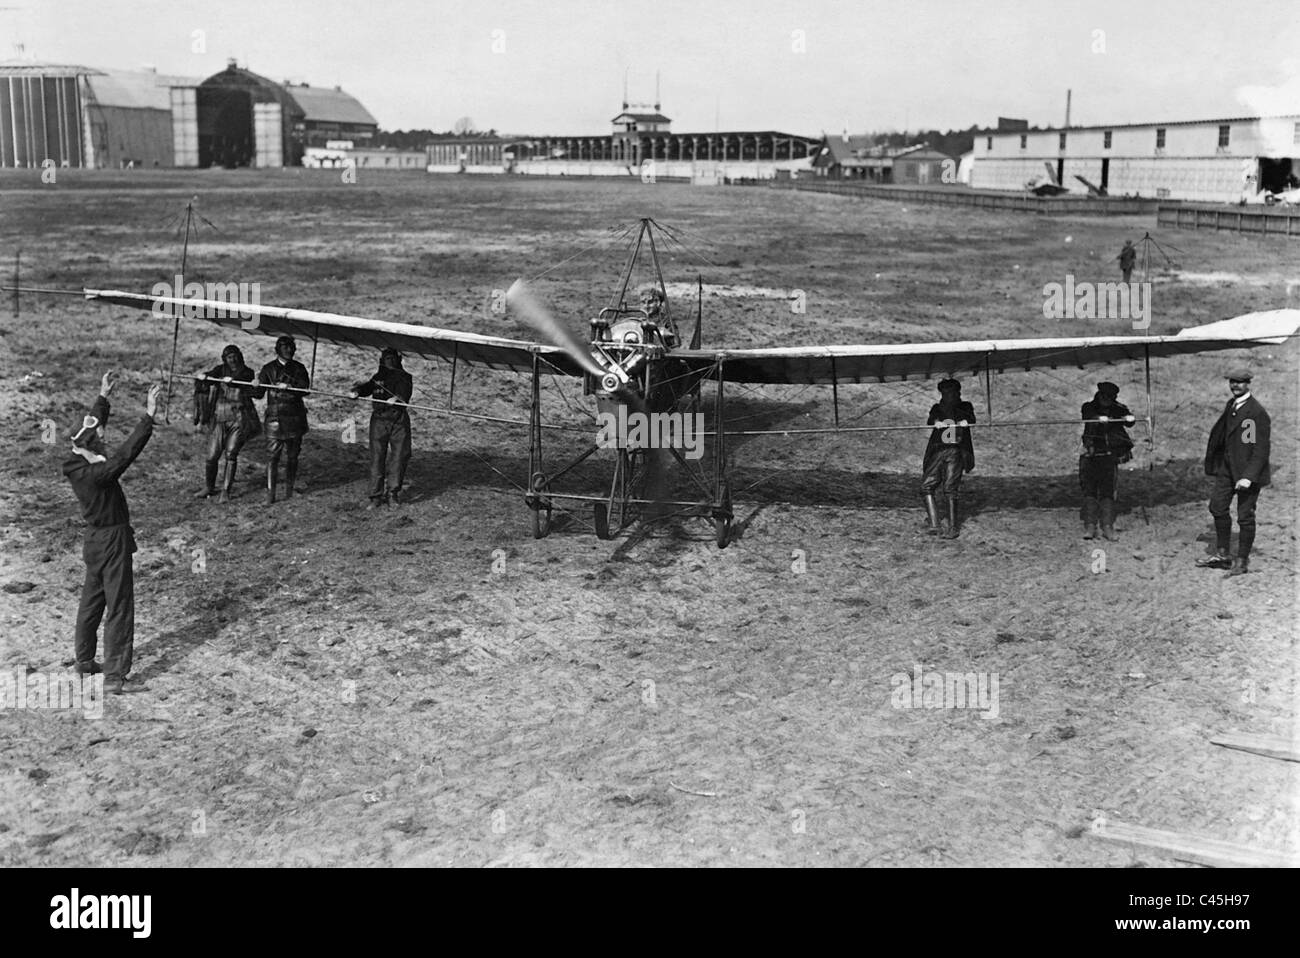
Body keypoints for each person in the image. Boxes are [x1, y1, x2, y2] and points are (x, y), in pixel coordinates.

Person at [62, 373, 162, 695]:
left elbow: (89, 425)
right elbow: (126, 454)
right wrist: (148, 416)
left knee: (92, 601)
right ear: (93, 445)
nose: (103, 438)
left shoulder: (75, 461)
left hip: (93, 542)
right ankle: (115, 677)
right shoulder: (100, 474)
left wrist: (103, 397)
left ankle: (84, 661)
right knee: (120, 605)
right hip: (112, 542)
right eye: (100, 437)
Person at [1196, 369, 1270, 577]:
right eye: (1232, 382)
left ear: (1248, 384)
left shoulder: (1255, 412)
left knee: (1245, 517)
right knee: (1217, 507)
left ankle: (1242, 560)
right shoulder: (1232, 405)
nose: (1235, 386)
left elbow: (1260, 449)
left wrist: (1248, 476)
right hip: (1227, 469)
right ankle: (1222, 553)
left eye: (1240, 382)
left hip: (1247, 474)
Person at [192, 344, 260, 502]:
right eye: (229, 357)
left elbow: (247, 385)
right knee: (211, 456)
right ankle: (209, 487)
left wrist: (233, 381)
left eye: (235, 356)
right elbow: (209, 378)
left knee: (231, 454)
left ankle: (225, 491)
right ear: (225, 359)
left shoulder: (247, 372)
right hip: (219, 418)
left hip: (238, 419)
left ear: (240, 356)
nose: (233, 359)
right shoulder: (220, 370)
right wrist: (204, 377)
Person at [350, 347, 414, 508]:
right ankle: (375, 496)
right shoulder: (378, 377)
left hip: (398, 420)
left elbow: (404, 394)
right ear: (382, 361)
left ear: (398, 360)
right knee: (377, 457)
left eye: (393, 359)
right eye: (387, 359)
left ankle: (392, 493)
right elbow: (367, 388)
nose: (390, 362)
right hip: (379, 420)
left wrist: (397, 399)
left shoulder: (405, 377)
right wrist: (357, 391)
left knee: (399, 457)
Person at [252, 335, 310, 504]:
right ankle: (271, 494)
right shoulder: (268, 369)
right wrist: (254, 385)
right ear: (278, 350)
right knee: (272, 457)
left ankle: (289, 491)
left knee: (293, 456)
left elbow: (306, 389)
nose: (289, 350)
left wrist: (291, 387)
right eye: (285, 347)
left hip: (295, 418)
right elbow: (258, 394)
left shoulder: (299, 368)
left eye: (291, 347)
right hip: (275, 420)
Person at [1078, 382, 1136, 541]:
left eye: (1110, 398)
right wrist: (1099, 420)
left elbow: (1129, 421)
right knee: (1089, 490)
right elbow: (1088, 417)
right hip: (1091, 453)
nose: (1107, 400)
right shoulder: (1089, 407)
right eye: (1104, 396)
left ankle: (1107, 526)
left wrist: (1127, 418)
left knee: (1107, 491)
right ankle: (1090, 526)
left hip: (1109, 455)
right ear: (1100, 395)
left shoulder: (1118, 408)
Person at [921, 379, 976, 539]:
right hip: (938, 449)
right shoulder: (937, 408)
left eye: (952, 392)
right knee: (926, 486)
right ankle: (934, 525)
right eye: (946, 393)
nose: (950, 396)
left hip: (956, 450)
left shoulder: (965, 406)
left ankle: (953, 528)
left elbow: (971, 417)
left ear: (958, 392)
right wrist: (936, 422)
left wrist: (966, 422)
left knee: (950, 489)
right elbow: (931, 419)